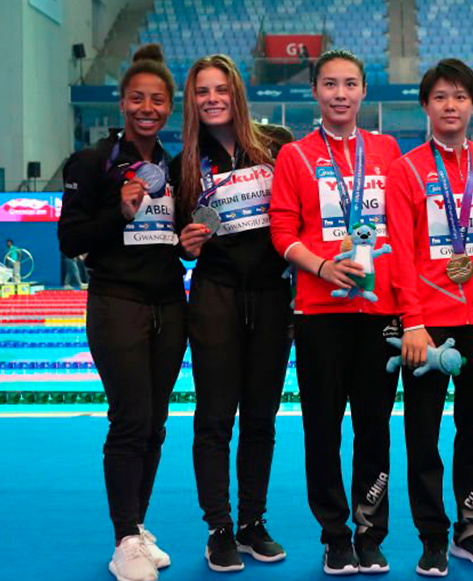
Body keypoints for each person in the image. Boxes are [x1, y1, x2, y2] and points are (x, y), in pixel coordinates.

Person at [270, 48, 404, 576]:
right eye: (330, 84)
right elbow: (283, 232)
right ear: (315, 92)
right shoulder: (295, 156)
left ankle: (371, 531)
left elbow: (405, 227)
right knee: (322, 428)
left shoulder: (389, 150)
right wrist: (324, 269)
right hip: (319, 311)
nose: (340, 94)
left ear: (364, 91)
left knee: (374, 427)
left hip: (379, 311)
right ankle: (334, 534)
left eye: (350, 84)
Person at [57, 43, 188, 581]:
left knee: (155, 425)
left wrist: (190, 242)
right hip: (117, 304)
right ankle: (123, 540)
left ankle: (136, 526)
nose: (147, 108)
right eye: (137, 98)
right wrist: (121, 211)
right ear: (121, 102)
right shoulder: (92, 163)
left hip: (169, 305)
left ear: (169, 107)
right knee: (130, 419)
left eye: (157, 100)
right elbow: (70, 240)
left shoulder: (175, 166)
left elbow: (172, 242)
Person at [170, 54, 295, 572]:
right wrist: (187, 244)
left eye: (221, 88)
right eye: (202, 91)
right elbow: (177, 239)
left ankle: (252, 522)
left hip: (270, 295)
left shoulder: (277, 144)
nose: (213, 98)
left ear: (237, 92)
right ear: (193, 101)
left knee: (262, 417)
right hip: (216, 295)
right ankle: (219, 526)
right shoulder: (183, 164)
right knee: (216, 416)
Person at [385, 58, 473, 576]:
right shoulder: (406, 169)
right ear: (426, 106)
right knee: (423, 433)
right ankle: (432, 535)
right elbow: (399, 254)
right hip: (428, 325)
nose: (451, 105)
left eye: (460, 96)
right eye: (440, 97)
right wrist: (413, 321)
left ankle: (471, 529)